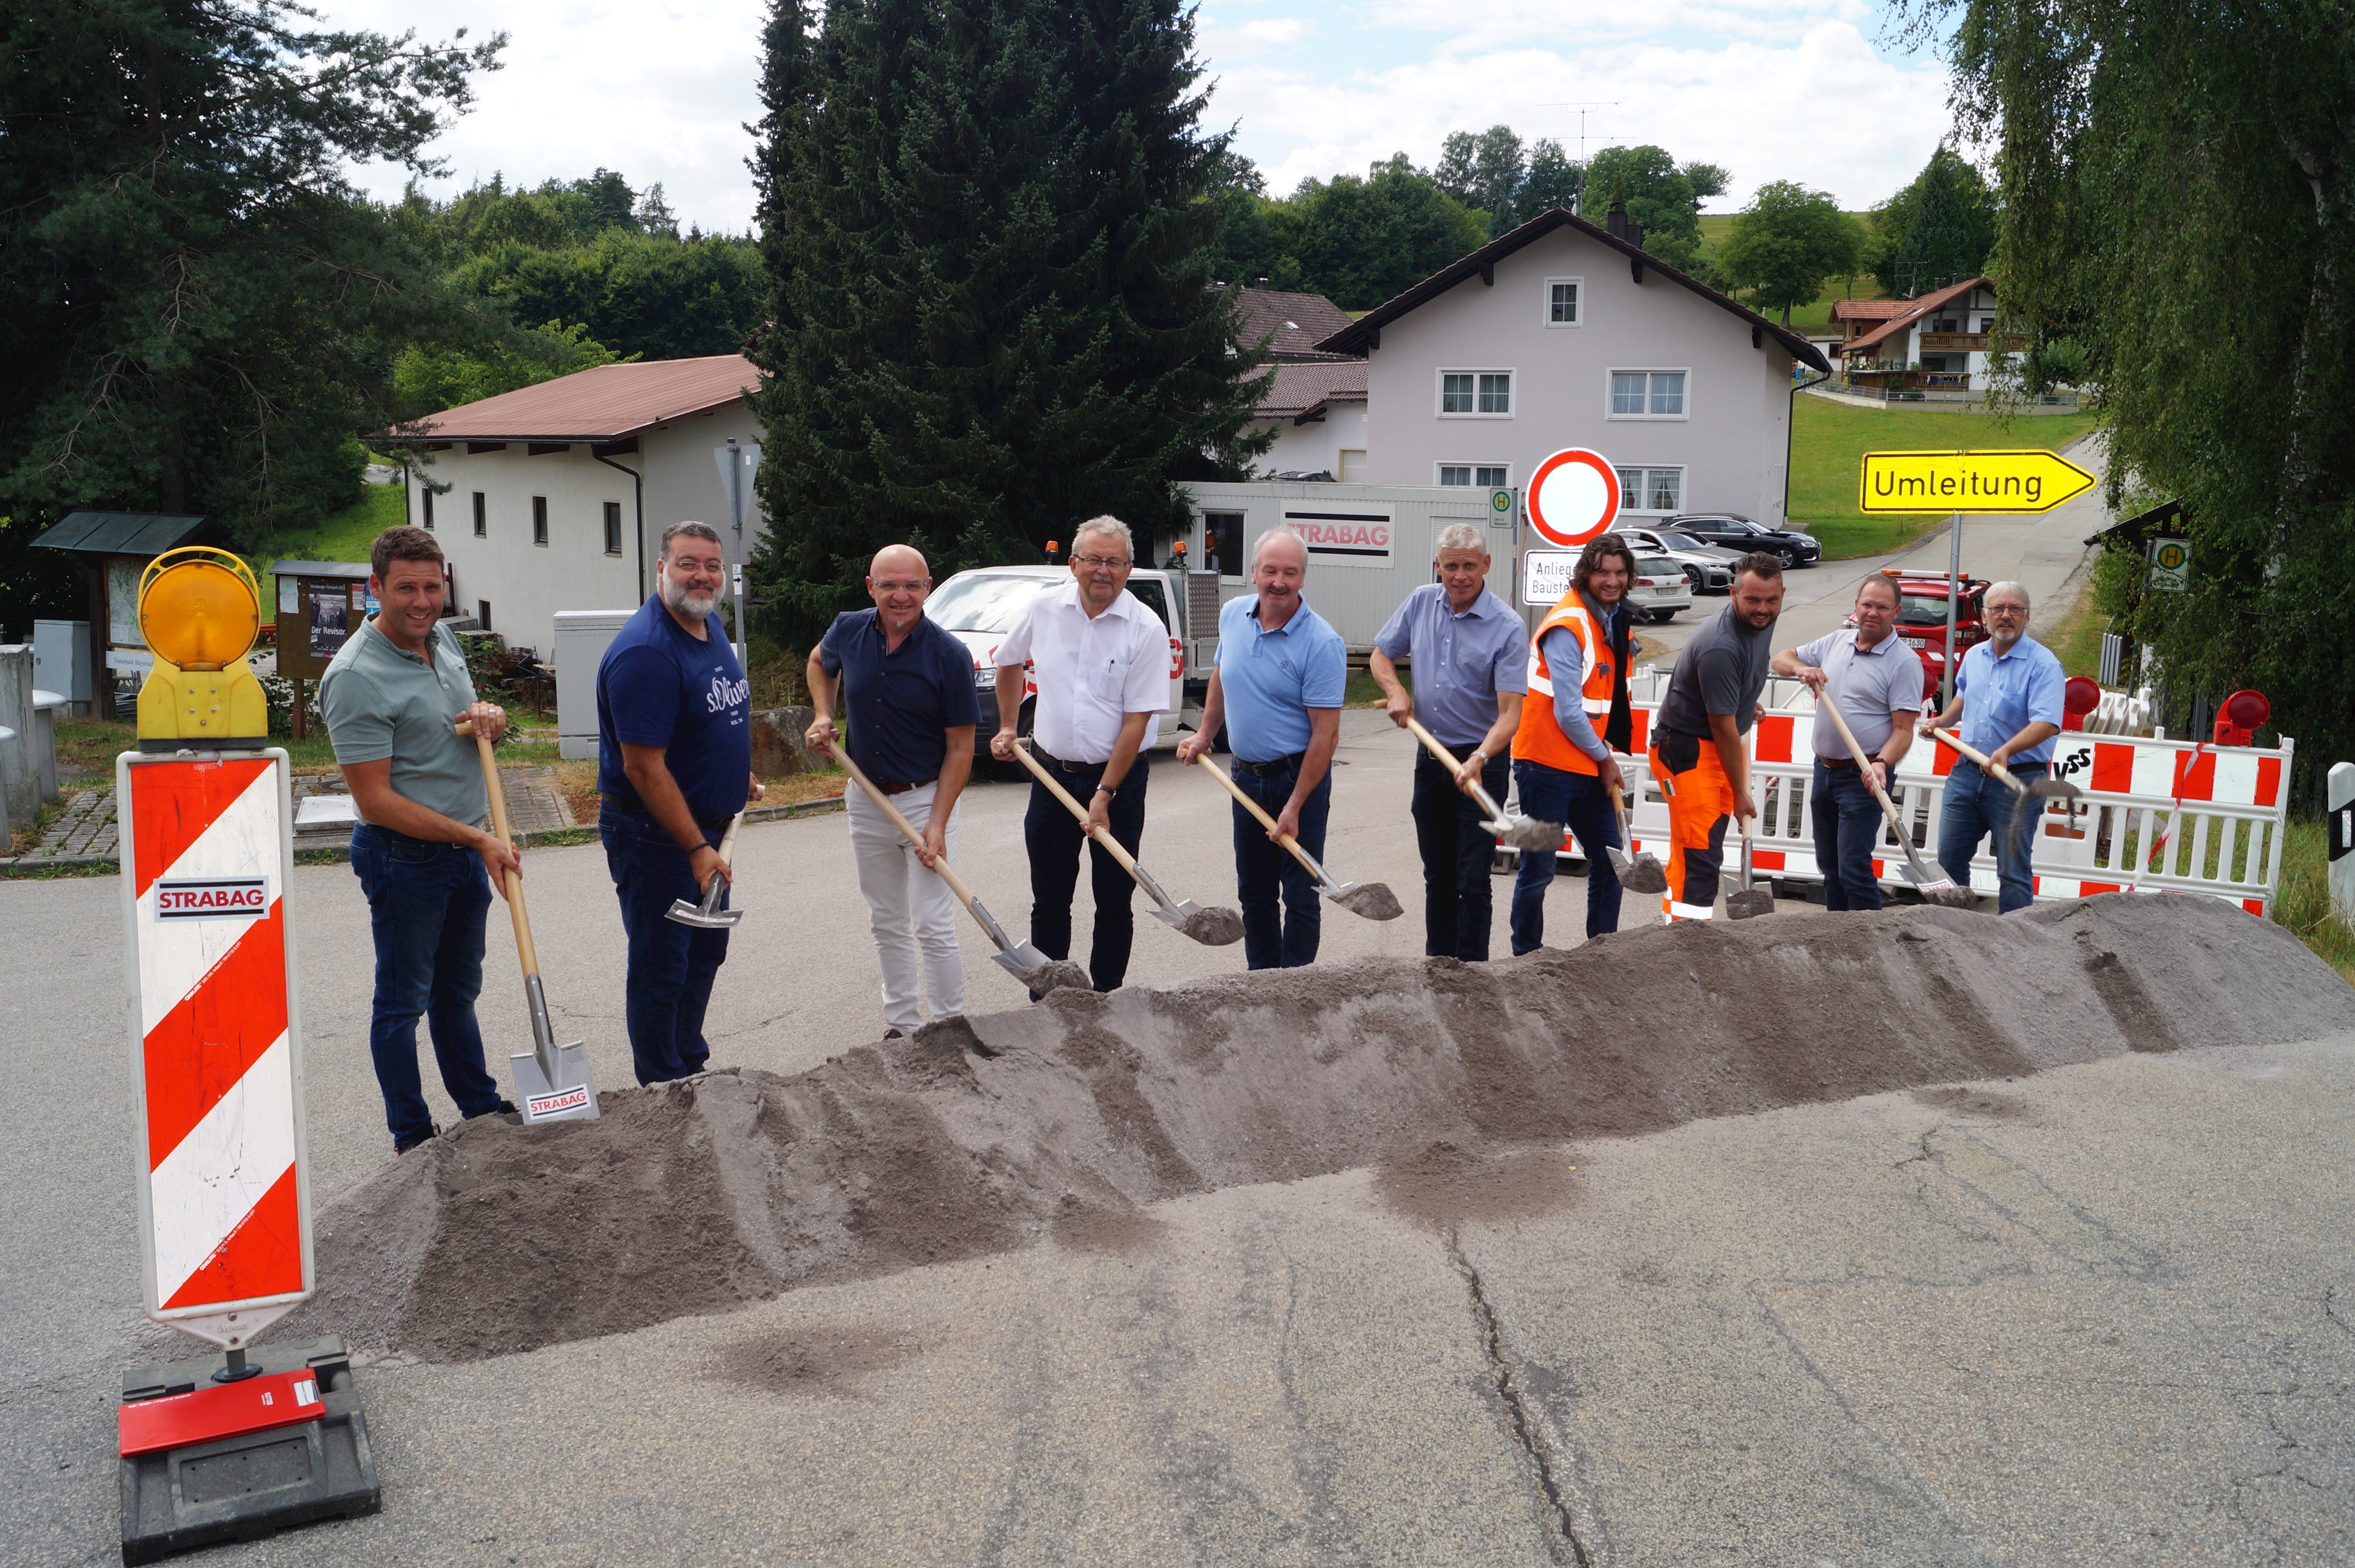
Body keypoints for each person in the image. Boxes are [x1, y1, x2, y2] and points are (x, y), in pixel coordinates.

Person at [319, 526, 516, 1154]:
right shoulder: (353, 676)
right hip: (402, 857)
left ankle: (479, 1111)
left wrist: (493, 717)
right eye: (405, 588)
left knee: (456, 994)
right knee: (402, 1003)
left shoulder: (444, 639)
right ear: (374, 588)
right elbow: (375, 799)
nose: (421, 601)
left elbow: (467, 721)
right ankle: (412, 1136)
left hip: (463, 847)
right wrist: (475, 839)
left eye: (432, 587)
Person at [596, 522, 760, 1086]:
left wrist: (734, 773)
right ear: (660, 569)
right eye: (688, 563)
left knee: (703, 954)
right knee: (662, 966)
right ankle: (662, 1084)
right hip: (658, 837)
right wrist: (694, 845)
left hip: (709, 828)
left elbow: (710, 717)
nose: (702, 575)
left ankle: (690, 1063)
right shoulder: (647, 652)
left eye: (712, 565)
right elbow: (642, 765)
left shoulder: (705, 622)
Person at [988, 516, 1168, 994]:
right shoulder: (1044, 609)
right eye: (1093, 560)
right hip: (1051, 778)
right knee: (1049, 899)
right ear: (1073, 564)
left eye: (1114, 562)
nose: (1102, 571)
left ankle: (1106, 999)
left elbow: (1137, 720)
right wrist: (1009, 725)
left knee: (1113, 899)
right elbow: (1007, 660)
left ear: (1129, 569)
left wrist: (1105, 793)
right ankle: (1051, 1001)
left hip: (1121, 783)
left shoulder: (1145, 628)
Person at [807, 545, 981, 1033]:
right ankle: (902, 1027)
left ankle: (948, 1027)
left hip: (927, 798)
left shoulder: (949, 655)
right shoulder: (849, 628)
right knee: (886, 920)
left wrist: (939, 823)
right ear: (871, 587)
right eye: (890, 585)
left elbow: (961, 749)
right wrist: (824, 714)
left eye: (912, 586)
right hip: (865, 797)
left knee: (932, 921)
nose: (901, 596)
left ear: (928, 588)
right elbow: (820, 663)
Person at [1175, 528, 1347, 969]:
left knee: (1301, 893)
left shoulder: (1322, 643)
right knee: (1254, 892)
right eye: (1270, 570)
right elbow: (1221, 676)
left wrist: (1295, 804)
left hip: (1297, 779)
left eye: (1290, 573)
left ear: (1302, 579)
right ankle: (1262, 985)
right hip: (1245, 779)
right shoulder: (1233, 615)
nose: (1278, 581)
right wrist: (1204, 734)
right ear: (1254, 572)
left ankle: (1297, 989)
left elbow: (1325, 737)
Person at [1370, 523, 1528, 960]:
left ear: (1486, 566)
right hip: (1431, 758)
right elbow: (1381, 655)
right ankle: (1438, 968)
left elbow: (1511, 712)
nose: (1460, 575)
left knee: (1472, 878)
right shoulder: (1421, 602)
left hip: (1483, 762)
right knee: (1437, 874)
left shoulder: (1508, 627)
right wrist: (1397, 690)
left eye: (1470, 566)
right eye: (1451, 565)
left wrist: (1479, 756)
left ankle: (1474, 975)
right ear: (1438, 565)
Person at [1508, 532, 1638, 950]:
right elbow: (1568, 712)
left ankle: (1601, 953)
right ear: (1586, 573)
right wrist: (1606, 759)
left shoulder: (1611, 620)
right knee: (1538, 866)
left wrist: (1601, 757)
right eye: (1602, 572)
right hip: (1544, 765)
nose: (1612, 581)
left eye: (1619, 573)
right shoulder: (1568, 624)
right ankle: (1526, 955)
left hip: (1583, 762)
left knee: (1611, 860)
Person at [1647, 553, 1788, 922]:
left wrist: (1744, 702)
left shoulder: (1761, 622)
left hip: (1713, 745)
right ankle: (1690, 944)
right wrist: (1741, 791)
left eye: (1772, 600)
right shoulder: (1721, 646)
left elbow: (1732, 695)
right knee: (1701, 855)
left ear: (1782, 594)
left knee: (1693, 848)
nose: (1763, 609)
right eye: (1753, 600)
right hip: (1687, 750)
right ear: (1732, 593)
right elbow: (1721, 726)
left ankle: (1673, 930)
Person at [1771, 574, 1926, 910]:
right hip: (1824, 770)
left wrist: (1882, 763)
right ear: (1855, 607)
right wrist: (1802, 668)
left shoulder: (1904, 663)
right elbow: (1780, 658)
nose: (1873, 613)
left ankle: (1871, 945)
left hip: (1865, 776)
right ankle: (1837, 939)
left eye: (1882, 607)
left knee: (1853, 867)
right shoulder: (1834, 642)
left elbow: (1903, 730)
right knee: (1830, 867)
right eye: (1867, 605)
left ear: (1896, 611)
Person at [1921, 580, 2063, 913]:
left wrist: (2006, 751)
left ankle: (2013, 949)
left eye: (2015, 609)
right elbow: (1964, 696)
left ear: (2027, 617)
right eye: (1997, 608)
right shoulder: (1974, 656)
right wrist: (1943, 721)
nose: (2006, 616)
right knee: (1950, 862)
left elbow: (2047, 723)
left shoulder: (2044, 665)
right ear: (1984, 617)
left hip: (2019, 781)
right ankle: (1957, 938)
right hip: (1967, 775)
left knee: (2013, 872)